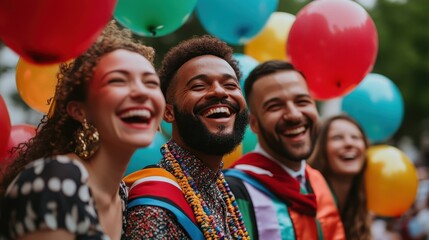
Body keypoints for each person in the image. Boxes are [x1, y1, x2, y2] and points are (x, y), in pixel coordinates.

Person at [0, 21, 165, 239]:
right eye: (117, 81)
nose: (141, 93)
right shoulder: (55, 179)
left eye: (151, 83)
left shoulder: (123, 198)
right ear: (79, 110)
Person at [124, 35, 250, 239]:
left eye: (230, 85)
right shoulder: (155, 206)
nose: (219, 91)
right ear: (168, 113)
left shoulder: (219, 191)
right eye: (199, 86)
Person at [224, 60, 345, 240]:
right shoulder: (234, 192)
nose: (294, 115)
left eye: (302, 101)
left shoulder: (317, 181)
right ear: (254, 123)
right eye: (275, 106)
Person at [308, 114, 372, 239]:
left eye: (355, 137)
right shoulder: (308, 203)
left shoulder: (362, 206)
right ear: (321, 148)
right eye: (337, 138)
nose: (349, 143)